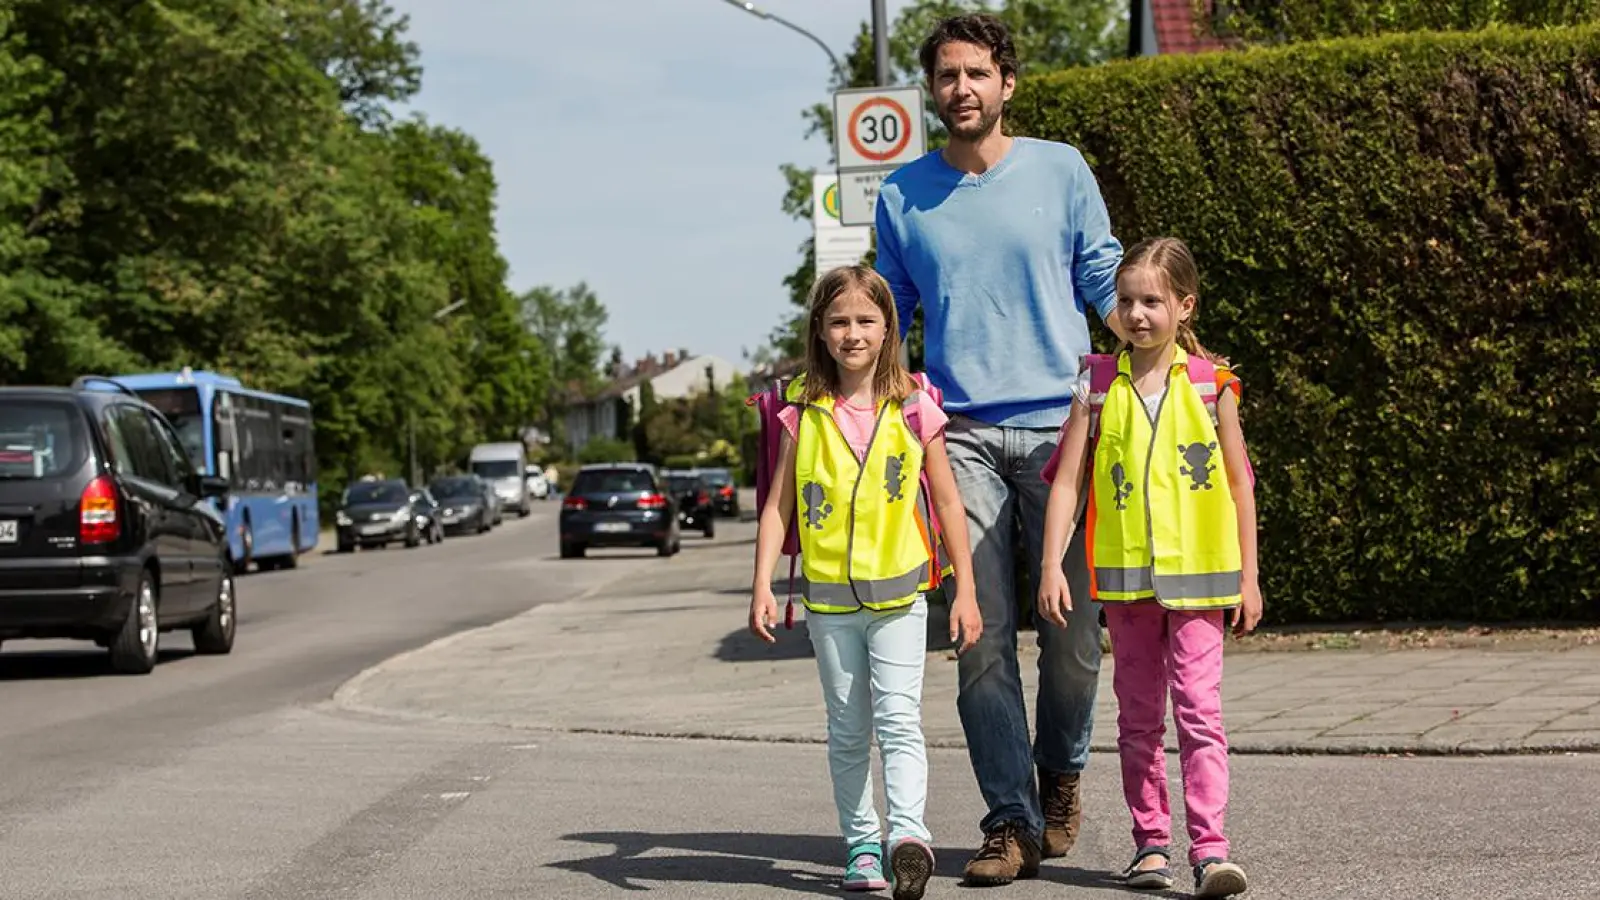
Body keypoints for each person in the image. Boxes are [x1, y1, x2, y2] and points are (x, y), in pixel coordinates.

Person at [873, 12, 1125, 886]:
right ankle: (1010, 821)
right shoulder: (902, 195)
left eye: (976, 73)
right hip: (962, 437)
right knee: (978, 636)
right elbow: (892, 314)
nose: (962, 90)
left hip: (1066, 424)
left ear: (1006, 82)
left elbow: (1103, 275)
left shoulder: (1060, 169)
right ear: (933, 90)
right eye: (946, 76)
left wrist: (1157, 354)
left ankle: (1061, 773)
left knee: (1076, 631)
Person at [749, 264, 983, 900]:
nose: (852, 333)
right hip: (827, 601)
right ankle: (860, 847)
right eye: (839, 322)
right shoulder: (802, 409)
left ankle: (908, 836)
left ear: (888, 329)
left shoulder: (914, 405)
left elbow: (949, 501)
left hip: (899, 597)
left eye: (865, 321)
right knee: (849, 729)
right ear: (821, 332)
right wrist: (763, 584)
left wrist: (964, 588)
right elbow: (778, 506)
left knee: (899, 718)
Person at [1037, 237, 1262, 898]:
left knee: (1199, 713)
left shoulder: (1211, 384)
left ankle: (1211, 850)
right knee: (1138, 717)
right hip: (1127, 581)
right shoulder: (1096, 385)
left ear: (1183, 306)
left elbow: (1240, 481)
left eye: (1152, 301)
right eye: (1126, 301)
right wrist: (1052, 564)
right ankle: (1149, 846)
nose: (1137, 314)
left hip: (1203, 580)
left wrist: (1249, 576)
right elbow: (1067, 484)